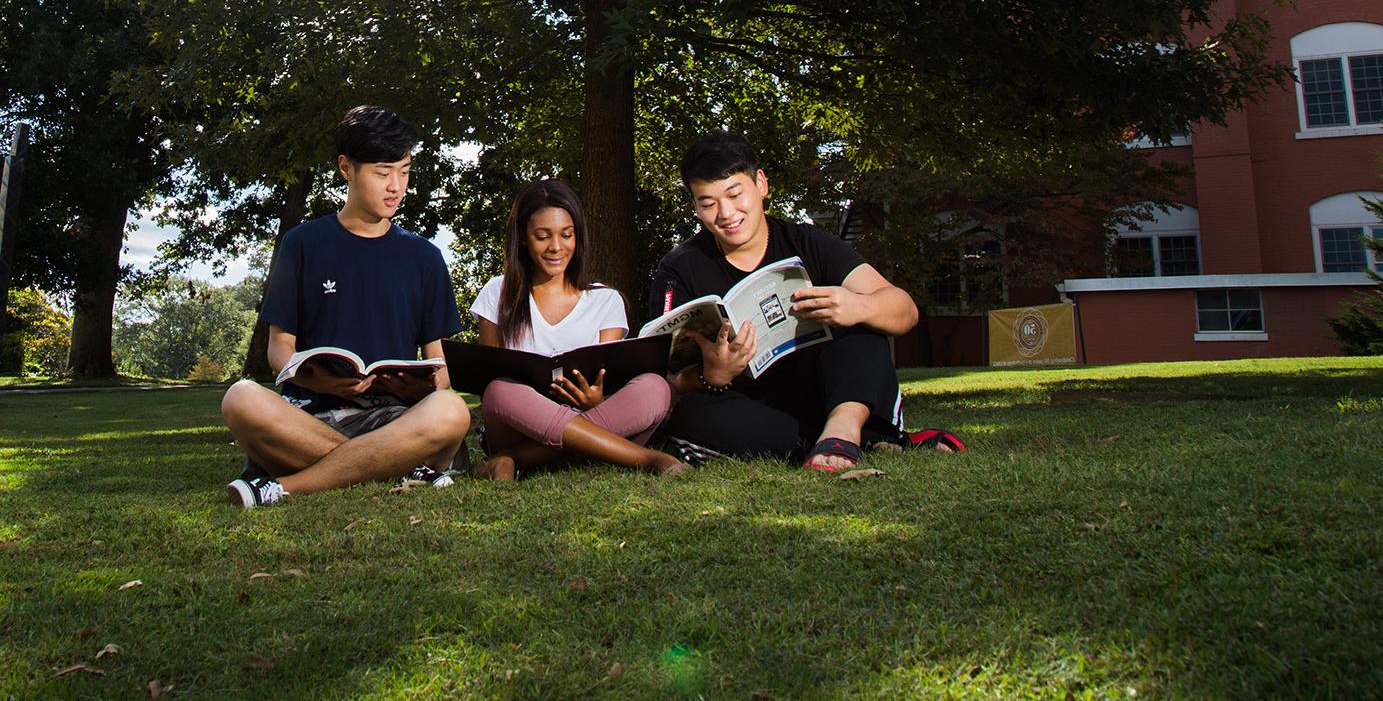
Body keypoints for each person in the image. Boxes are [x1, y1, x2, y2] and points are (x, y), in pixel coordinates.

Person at [220, 106, 472, 507]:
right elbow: (278, 350)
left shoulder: (424, 257)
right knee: (239, 398)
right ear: (346, 168)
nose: (396, 186)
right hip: (311, 417)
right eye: (382, 172)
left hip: (396, 420)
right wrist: (315, 380)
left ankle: (285, 487)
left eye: (404, 172)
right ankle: (403, 469)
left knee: (451, 410)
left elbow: (440, 368)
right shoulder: (302, 244)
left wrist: (424, 384)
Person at [647, 132, 922, 472]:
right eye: (708, 203)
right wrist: (708, 376)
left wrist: (856, 305)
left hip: (824, 389)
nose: (726, 213)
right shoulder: (679, 267)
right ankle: (848, 443)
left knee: (863, 326)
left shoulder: (809, 243)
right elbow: (665, 379)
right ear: (695, 208)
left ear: (760, 184)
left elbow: (905, 311)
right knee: (693, 413)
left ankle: (842, 429)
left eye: (735, 194)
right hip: (746, 401)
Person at [469, 179, 684, 477]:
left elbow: (611, 379)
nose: (556, 247)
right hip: (522, 423)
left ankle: (516, 460)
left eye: (566, 235)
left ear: (577, 236)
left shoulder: (605, 300)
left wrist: (599, 400)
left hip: (592, 413)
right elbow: (486, 380)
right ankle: (647, 459)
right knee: (499, 390)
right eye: (542, 236)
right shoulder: (498, 292)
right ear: (522, 238)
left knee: (656, 387)